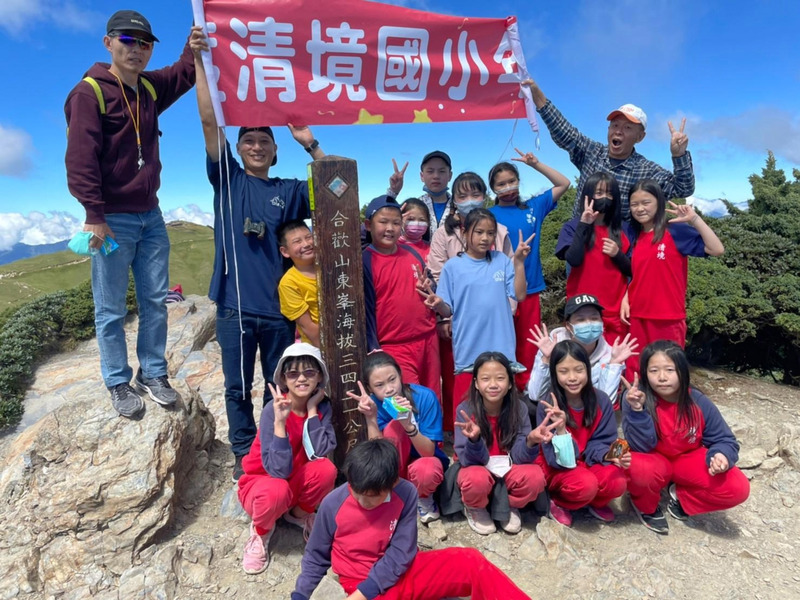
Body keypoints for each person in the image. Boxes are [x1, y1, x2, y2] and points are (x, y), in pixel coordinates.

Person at [191, 29, 327, 480]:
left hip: (277, 310)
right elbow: (211, 125)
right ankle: (242, 449)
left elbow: (333, 191)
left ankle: (275, 445)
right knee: (235, 387)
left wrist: (311, 143)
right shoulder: (228, 180)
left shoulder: (288, 190)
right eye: (247, 140)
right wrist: (200, 64)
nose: (253, 146)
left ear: (274, 149)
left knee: (278, 387)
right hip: (233, 305)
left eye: (262, 141)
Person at [64, 10, 196, 417]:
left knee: (156, 300)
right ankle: (117, 381)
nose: (136, 49)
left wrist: (194, 43)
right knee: (111, 308)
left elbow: (184, 75)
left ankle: (152, 373)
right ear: (109, 43)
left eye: (144, 42)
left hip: (150, 216)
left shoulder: (150, 88)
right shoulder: (90, 93)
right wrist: (94, 214)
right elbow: (80, 159)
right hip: (112, 219)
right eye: (127, 39)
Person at [291, 438, 534, 600]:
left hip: (400, 572)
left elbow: (402, 552)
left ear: (392, 484)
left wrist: (365, 592)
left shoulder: (405, 492)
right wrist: (301, 596)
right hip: (357, 581)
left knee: (469, 561)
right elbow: (316, 556)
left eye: (373, 497)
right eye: (357, 492)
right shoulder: (333, 502)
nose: (363, 501)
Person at [622, 341, 750, 534]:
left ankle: (680, 496)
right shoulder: (636, 398)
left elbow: (724, 439)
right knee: (640, 468)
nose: (662, 377)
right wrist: (637, 411)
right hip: (652, 459)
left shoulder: (697, 401)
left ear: (682, 371)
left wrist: (721, 455)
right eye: (654, 370)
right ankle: (645, 504)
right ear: (645, 374)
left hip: (686, 458)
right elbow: (640, 446)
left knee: (737, 488)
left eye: (670, 370)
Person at [524, 79, 694, 219]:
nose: (618, 131)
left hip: (618, 248)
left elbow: (682, 189)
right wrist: (539, 98)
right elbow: (564, 132)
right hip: (580, 241)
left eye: (627, 128)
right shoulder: (592, 153)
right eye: (615, 125)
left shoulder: (646, 170)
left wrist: (679, 155)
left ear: (640, 137)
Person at [422, 208, 532, 426]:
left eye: (490, 233)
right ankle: (465, 452)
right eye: (479, 232)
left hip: (502, 349)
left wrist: (518, 262)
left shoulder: (501, 260)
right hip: (468, 350)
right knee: (467, 407)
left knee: (502, 405)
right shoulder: (453, 267)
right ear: (465, 233)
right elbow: (447, 309)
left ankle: (503, 448)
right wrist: (438, 304)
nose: (485, 238)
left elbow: (519, 294)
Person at [238, 343, 337, 573]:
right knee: (277, 489)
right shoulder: (273, 409)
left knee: (327, 470)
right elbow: (277, 471)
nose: (301, 379)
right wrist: (280, 423)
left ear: (319, 376)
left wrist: (312, 410)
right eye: (293, 373)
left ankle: (297, 515)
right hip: (262, 484)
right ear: (284, 378)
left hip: (294, 482)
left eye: (309, 372)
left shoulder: (322, 408)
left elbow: (320, 452)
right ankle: (261, 532)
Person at [621, 179, 724, 375]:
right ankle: (635, 406)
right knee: (636, 369)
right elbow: (640, 273)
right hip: (637, 315)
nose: (640, 208)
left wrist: (694, 219)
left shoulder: (675, 230)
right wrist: (627, 296)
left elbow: (717, 249)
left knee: (668, 371)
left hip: (667, 317)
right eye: (634, 204)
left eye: (646, 202)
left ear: (659, 202)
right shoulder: (633, 234)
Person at [488, 150, 571, 390]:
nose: (508, 187)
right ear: (493, 189)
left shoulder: (534, 207)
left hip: (531, 288)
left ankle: (526, 391)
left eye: (512, 181)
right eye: (501, 184)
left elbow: (563, 183)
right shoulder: (488, 215)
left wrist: (536, 164)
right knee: (500, 343)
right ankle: (501, 389)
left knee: (528, 344)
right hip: (498, 291)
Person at [448, 352, 554, 535]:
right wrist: (474, 440)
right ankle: (476, 507)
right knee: (476, 478)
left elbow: (520, 458)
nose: (493, 385)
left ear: (510, 383)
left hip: (509, 468)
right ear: (476, 384)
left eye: (500, 378)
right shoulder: (465, 410)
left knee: (535, 475)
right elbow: (465, 460)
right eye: (485, 379)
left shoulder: (519, 408)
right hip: (476, 468)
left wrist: (530, 440)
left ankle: (510, 505)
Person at [536, 340, 628, 527]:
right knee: (586, 484)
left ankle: (594, 501)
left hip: (587, 462)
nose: (572, 377)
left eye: (579, 370)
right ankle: (559, 501)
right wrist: (561, 431)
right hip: (558, 466)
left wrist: (615, 456)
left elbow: (605, 440)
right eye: (564, 371)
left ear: (588, 370)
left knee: (618, 480)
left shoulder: (600, 399)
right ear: (554, 373)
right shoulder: (547, 404)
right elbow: (553, 459)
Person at [351, 351, 447, 524]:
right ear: (370, 388)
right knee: (393, 429)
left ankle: (423, 497)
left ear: (400, 375)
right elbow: (377, 456)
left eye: (392, 379)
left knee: (427, 469)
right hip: (393, 468)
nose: (389, 389)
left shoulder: (425, 397)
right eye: (379, 385)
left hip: (423, 461)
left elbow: (428, 452)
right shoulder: (372, 404)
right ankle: (390, 489)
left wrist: (408, 425)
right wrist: (371, 417)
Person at [363, 195, 441, 399]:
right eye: (383, 222)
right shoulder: (364, 261)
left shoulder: (413, 253)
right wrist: (373, 347)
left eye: (396, 223)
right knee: (409, 401)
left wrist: (429, 285)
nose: (390, 228)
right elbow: (365, 309)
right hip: (393, 345)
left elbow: (431, 285)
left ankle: (435, 433)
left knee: (433, 398)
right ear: (368, 225)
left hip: (428, 338)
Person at [555, 173, 631, 343]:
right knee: (581, 363)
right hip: (582, 313)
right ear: (588, 195)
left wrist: (617, 255)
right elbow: (573, 260)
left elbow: (633, 269)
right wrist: (584, 224)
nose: (605, 197)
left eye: (610, 193)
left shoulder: (624, 229)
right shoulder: (572, 227)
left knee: (614, 364)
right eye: (599, 193)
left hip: (616, 312)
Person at [526, 295, 637, 408]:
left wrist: (614, 364)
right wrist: (547, 359)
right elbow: (535, 395)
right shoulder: (551, 346)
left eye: (594, 318)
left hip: (587, 409)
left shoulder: (610, 354)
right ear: (568, 326)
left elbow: (606, 402)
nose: (589, 323)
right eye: (581, 319)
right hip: (557, 405)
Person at [388, 151, 455, 231]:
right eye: (430, 171)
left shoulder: (459, 207)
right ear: (422, 176)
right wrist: (393, 191)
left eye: (442, 171)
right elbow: (385, 219)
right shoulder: (413, 206)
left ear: (450, 176)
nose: (436, 176)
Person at [278, 219, 319, 346]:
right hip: (318, 346)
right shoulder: (289, 283)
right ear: (285, 251)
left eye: (309, 237)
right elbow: (308, 327)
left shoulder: (332, 265)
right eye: (297, 241)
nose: (306, 244)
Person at [398, 197, 432, 262]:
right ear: (400, 219)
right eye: (410, 219)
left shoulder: (433, 249)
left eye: (422, 220)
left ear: (428, 222)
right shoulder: (390, 247)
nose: (417, 223)